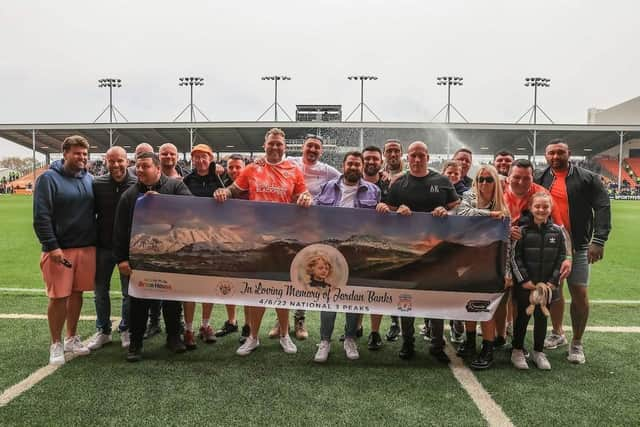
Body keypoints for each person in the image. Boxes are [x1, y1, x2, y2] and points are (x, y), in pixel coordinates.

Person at [214, 128, 312, 356]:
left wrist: (307, 198)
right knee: (255, 290)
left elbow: (304, 195)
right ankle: (253, 337)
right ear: (264, 145)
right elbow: (233, 190)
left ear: (285, 147)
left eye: (279, 144)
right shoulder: (252, 168)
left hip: (283, 240)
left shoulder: (293, 170)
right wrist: (222, 192)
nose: (275, 147)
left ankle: (285, 335)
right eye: (272, 143)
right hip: (256, 240)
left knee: (282, 289)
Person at [376, 141, 459, 363]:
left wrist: (447, 212)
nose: (416, 159)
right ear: (407, 158)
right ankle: (408, 342)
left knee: (435, 297)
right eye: (412, 155)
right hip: (407, 251)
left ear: (428, 157)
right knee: (407, 297)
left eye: (421, 155)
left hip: (437, 250)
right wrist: (393, 211)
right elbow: (386, 211)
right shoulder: (398, 183)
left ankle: (437, 344)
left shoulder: (442, 181)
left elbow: (458, 208)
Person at [536, 139, 611, 364]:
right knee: (555, 292)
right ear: (545, 155)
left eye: (560, 153)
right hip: (550, 247)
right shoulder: (541, 178)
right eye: (551, 153)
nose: (555, 157)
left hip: (578, 246)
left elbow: (603, 206)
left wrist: (598, 240)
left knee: (579, 293)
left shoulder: (588, 178)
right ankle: (558, 333)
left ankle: (577, 344)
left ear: (569, 154)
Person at [113, 152, 193, 362]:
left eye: (144, 166)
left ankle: (174, 337)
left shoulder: (175, 187)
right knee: (138, 301)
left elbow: (192, 208)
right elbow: (120, 230)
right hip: (141, 259)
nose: (139, 170)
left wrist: (165, 202)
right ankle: (136, 343)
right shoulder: (129, 195)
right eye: (137, 166)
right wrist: (121, 259)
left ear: (158, 168)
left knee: (172, 299)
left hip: (171, 256)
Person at [33, 135, 96, 365]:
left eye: (85, 154)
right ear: (65, 153)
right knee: (58, 296)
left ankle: (71, 338)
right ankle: (55, 343)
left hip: (86, 247)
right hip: (60, 250)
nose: (82, 158)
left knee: (77, 293)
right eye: (77, 153)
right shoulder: (48, 179)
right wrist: (52, 246)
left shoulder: (89, 178)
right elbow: (41, 216)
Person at [312, 151, 380, 362]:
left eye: (357, 164)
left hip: (357, 250)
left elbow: (377, 222)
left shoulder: (374, 190)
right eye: (350, 163)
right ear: (343, 166)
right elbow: (315, 213)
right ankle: (324, 341)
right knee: (329, 294)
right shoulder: (327, 187)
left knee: (353, 296)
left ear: (361, 167)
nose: (353, 167)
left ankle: (349, 338)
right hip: (330, 248)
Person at [274, 134, 340, 340]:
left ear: (321, 151)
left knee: (303, 274)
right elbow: (268, 166)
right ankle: (280, 321)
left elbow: (347, 179)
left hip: (312, 230)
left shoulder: (328, 171)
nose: (312, 150)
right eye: (309, 146)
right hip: (286, 227)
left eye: (317, 148)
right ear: (302, 147)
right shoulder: (289, 163)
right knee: (284, 274)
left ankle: (299, 319)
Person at [453, 165, 510, 370]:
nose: (484, 183)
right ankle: (469, 341)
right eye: (480, 179)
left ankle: (487, 348)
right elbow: (462, 213)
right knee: (468, 303)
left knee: (486, 307)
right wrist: (490, 215)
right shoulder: (469, 196)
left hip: (491, 263)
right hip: (467, 260)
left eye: (488, 179)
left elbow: (508, 243)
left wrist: (508, 271)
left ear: (496, 182)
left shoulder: (504, 204)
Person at [181, 144, 231, 349]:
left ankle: (205, 325)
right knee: (190, 287)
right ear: (192, 159)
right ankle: (189, 329)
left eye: (204, 157)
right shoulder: (186, 180)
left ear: (211, 158)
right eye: (197, 157)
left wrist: (224, 192)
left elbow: (232, 196)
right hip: (191, 238)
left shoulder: (220, 178)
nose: (201, 161)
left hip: (213, 239)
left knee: (208, 286)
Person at [88, 146, 137, 351]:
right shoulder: (97, 184)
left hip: (129, 250)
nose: (116, 165)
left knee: (129, 293)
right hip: (104, 247)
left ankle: (125, 328)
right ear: (105, 162)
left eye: (120, 160)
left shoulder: (138, 183)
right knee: (100, 291)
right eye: (111, 161)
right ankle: (103, 331)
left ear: (127, 161)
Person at [511, 192, 566, 370]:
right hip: (526, 286)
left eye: (545, 207)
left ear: (551, 209)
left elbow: (561, 258)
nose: (541, 210)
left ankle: (538, 351)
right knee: (522, 317)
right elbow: (515, 257)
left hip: (546, 287)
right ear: (530, 208)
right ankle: (517, 350)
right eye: (537, 206)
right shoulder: (522, 231)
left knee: (542, 318)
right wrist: (524, 279)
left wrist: (552, 281)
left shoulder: (557, 232)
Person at [214, 154, 252, 343]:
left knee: (246, 283)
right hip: (227, 239)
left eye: (238, 167)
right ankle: (231, 321)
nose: (235, 170)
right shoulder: (222, 185)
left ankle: (248, 325)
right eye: (231, 167)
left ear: (245, 167)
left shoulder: (252, 184)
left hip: (249, 240)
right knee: (228, 281)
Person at [381, 139, 405, 342]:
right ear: (384, 154)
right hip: (381, 236)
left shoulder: (409, 177)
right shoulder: (378, 177)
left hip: (404, 236)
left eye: (396, 151)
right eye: (389, 151)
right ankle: (394, 322)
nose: (393, 154)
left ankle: (405, 324)